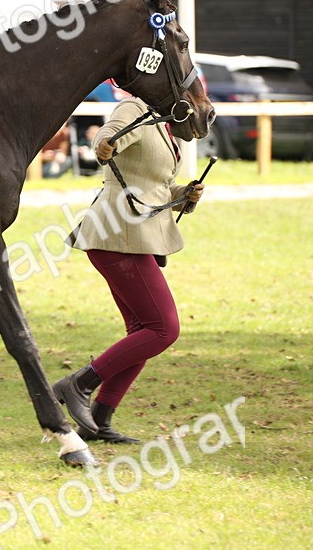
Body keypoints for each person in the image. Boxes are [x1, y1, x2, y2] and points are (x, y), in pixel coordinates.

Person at [55, 97, 204, 444]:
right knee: (163, 328)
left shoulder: (163, 121)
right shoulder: (133, 110)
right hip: (117, 235)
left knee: (142, 330)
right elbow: (107, 138)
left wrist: (185, 195)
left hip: (135, 236)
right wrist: (104, 146)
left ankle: (98, 421)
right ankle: (78, 384)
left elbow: (156, 187)